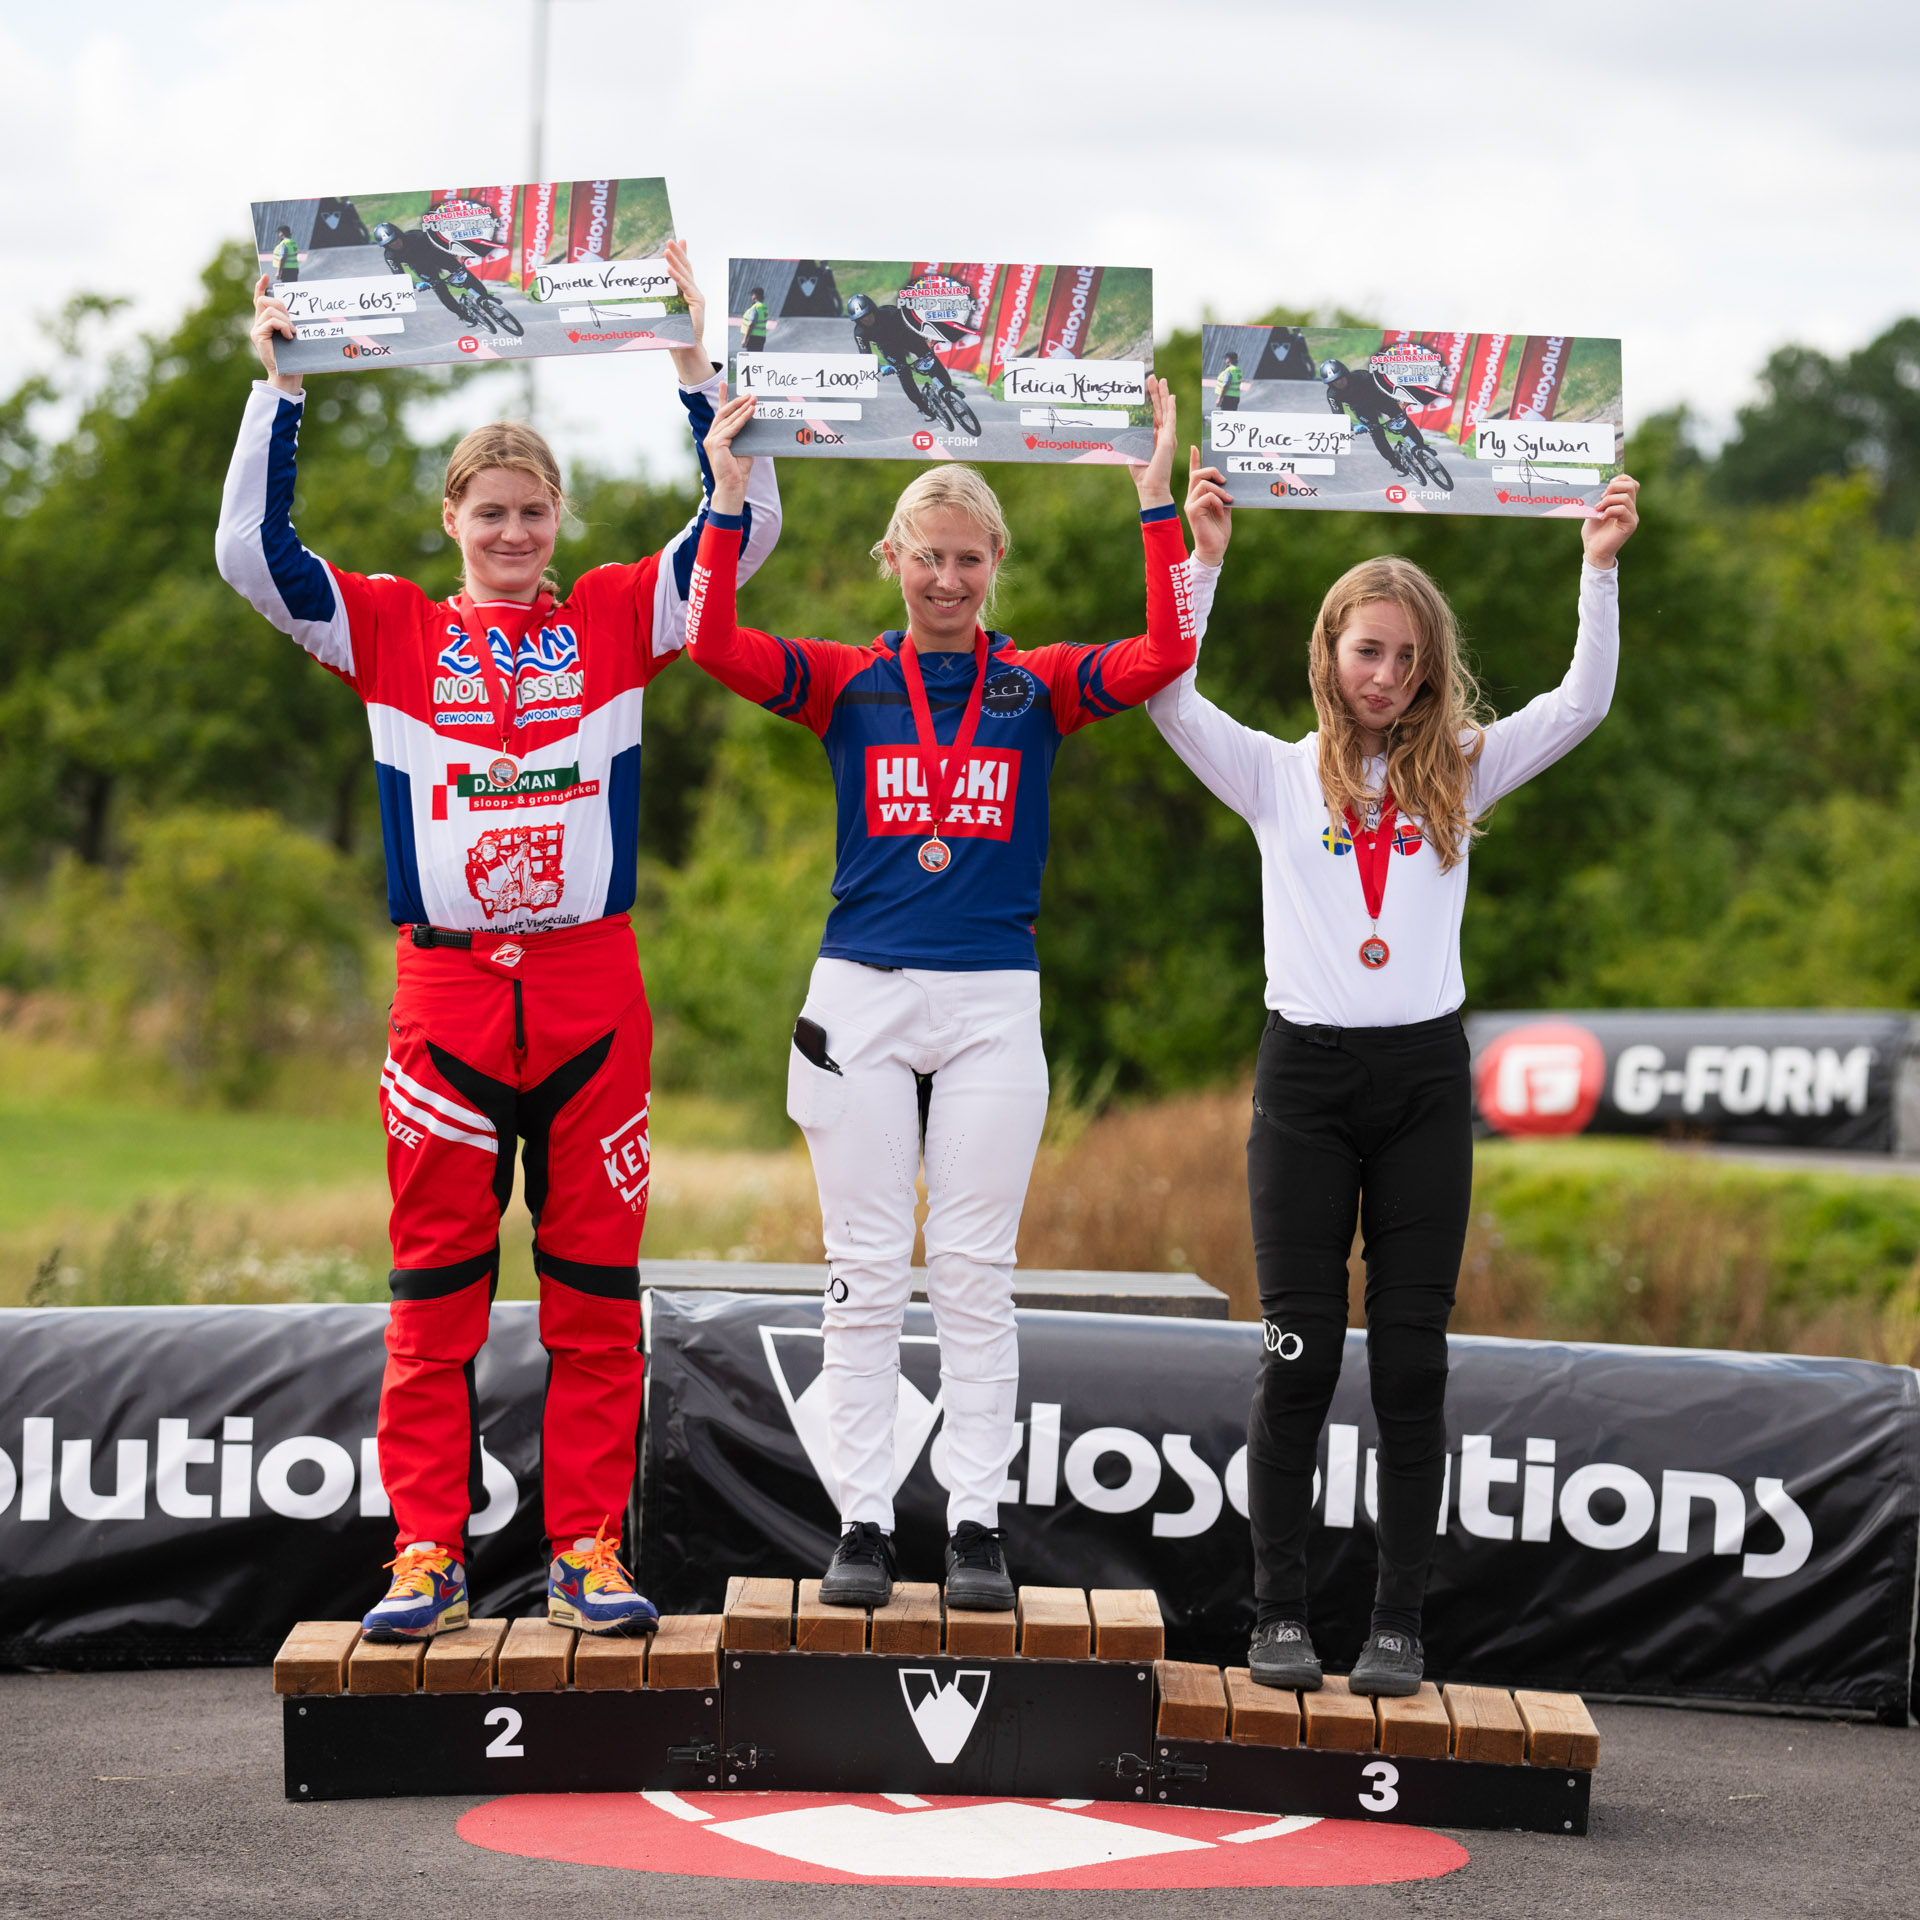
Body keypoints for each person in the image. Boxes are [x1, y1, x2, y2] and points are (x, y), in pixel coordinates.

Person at [214, 242, 782, 1642]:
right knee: (432, 1301)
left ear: (558, 516)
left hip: (591, 996)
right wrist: (279, 392)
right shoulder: (390, 629)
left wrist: (693, 372)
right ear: (452, 519)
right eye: (491, 513)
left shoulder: (614, 614)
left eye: (533, 512)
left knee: (596, 1300)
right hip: (450, 1001)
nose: (515, 533)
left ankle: (586, 1550)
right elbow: (250, 557)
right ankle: (426, 1555)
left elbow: (744, 535)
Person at [681, 379, 1204, 1613]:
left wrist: (1153, 500)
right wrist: (727, 496)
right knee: (863, 1271)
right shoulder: (846, 682)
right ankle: (861, 1522)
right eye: (928, 558)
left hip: (990, 1005)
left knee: (973, 1274)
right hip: (860, 997)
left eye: (969, 560)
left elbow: (1167, 652)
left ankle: (975, 1525)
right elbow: (711, 644)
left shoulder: (1039, 686)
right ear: (893, 560)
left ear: (995, 565)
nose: (948, 580)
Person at [1146, 457, 1639, 1695]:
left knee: (1412, 1363)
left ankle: (1400, 1626)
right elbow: (1167, 695)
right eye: (1368, 650)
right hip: (1304, 1087)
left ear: (1429, 670)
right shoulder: (1273, 771)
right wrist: (1201, 561)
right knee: (1300, 1356)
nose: (1388, 676)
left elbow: (1581, 705)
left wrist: (1596, 569)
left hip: (1422, 1083)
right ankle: (1277, 1617)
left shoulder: (1459, 767)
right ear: (1330, 652)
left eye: (1409, 659)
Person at [1320, 358, 1440, 472]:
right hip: (1361, 409)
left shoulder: (1361, 376)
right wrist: (1353, 427)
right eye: (1334, 382)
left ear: (1346, 374)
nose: (1339, 383)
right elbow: (1338, 417)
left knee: (1401, 418)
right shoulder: (1332, 395)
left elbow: (1385, 385)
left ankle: (1421, 446)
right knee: (1376, 433)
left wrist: (1399, 397)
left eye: (1340, 378)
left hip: (1380, 399)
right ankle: (1394, 462)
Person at [846, 292, 947, 419]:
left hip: (908, 337)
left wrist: (928, 335)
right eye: (862, 318)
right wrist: (880, 367)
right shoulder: (859, 333)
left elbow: (915, 322)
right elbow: (865, 356)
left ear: (873, 310)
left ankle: (948, 388)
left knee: (929, 358)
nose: (866, 320)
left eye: (868, 315)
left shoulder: (890, 312)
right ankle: (921, 406)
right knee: (903, 374)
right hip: (889, 348)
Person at [375, 219, 486, 320]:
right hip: (422, 268)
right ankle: (462, 314)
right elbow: (400, 277)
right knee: (440, 289)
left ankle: (485, 298)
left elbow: (439, 241)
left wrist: (454, 251)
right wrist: (416, 285)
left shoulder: (416, 236)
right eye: (389, 244)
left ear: (400, 235)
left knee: (461, 273)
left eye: (395, 240)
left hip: (438, 256)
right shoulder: (390, 256)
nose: (395, 244)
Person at [742, 286, 770, 355]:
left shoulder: (756, 307)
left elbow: (751, 324)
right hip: (761, 337)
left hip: (753, 338)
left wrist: (745, 339)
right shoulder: (764, 307)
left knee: (751, 358)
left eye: (752, 294)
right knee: (757, 358)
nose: (751, 296)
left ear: (755, 295)